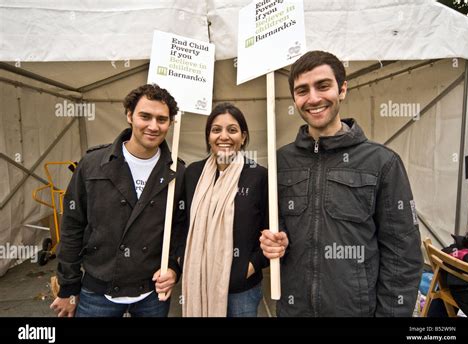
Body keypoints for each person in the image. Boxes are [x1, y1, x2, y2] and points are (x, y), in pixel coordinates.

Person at [260, 50, 423, 317]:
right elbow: (274, 226)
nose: (313, 98)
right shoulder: (281, 161)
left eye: (323, 86)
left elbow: (402, 255)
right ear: (294, 98)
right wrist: (273, 240)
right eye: (302, 90)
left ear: (343, 89)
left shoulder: (382, 162)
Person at [50, 84, 185, 317]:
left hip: (152, 294)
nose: (153, 126)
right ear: (129, 115)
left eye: (162, 119)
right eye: (145, 116)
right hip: (97, 293)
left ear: (170, 123)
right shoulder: (93, 164)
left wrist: (173, 268)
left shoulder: (177, 171)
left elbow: (180, 230)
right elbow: (72, 226)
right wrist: (68, 288)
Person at [181, 102, 268, 317]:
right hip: (199, 282)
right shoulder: (193, 174)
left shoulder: (258, 175)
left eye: (232, 130)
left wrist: (248, 268)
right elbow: (181, 223)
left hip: (242, 290)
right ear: (208, 136)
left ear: (243, 137)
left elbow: (270, 229)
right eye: (216, 129)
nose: (224, 136)